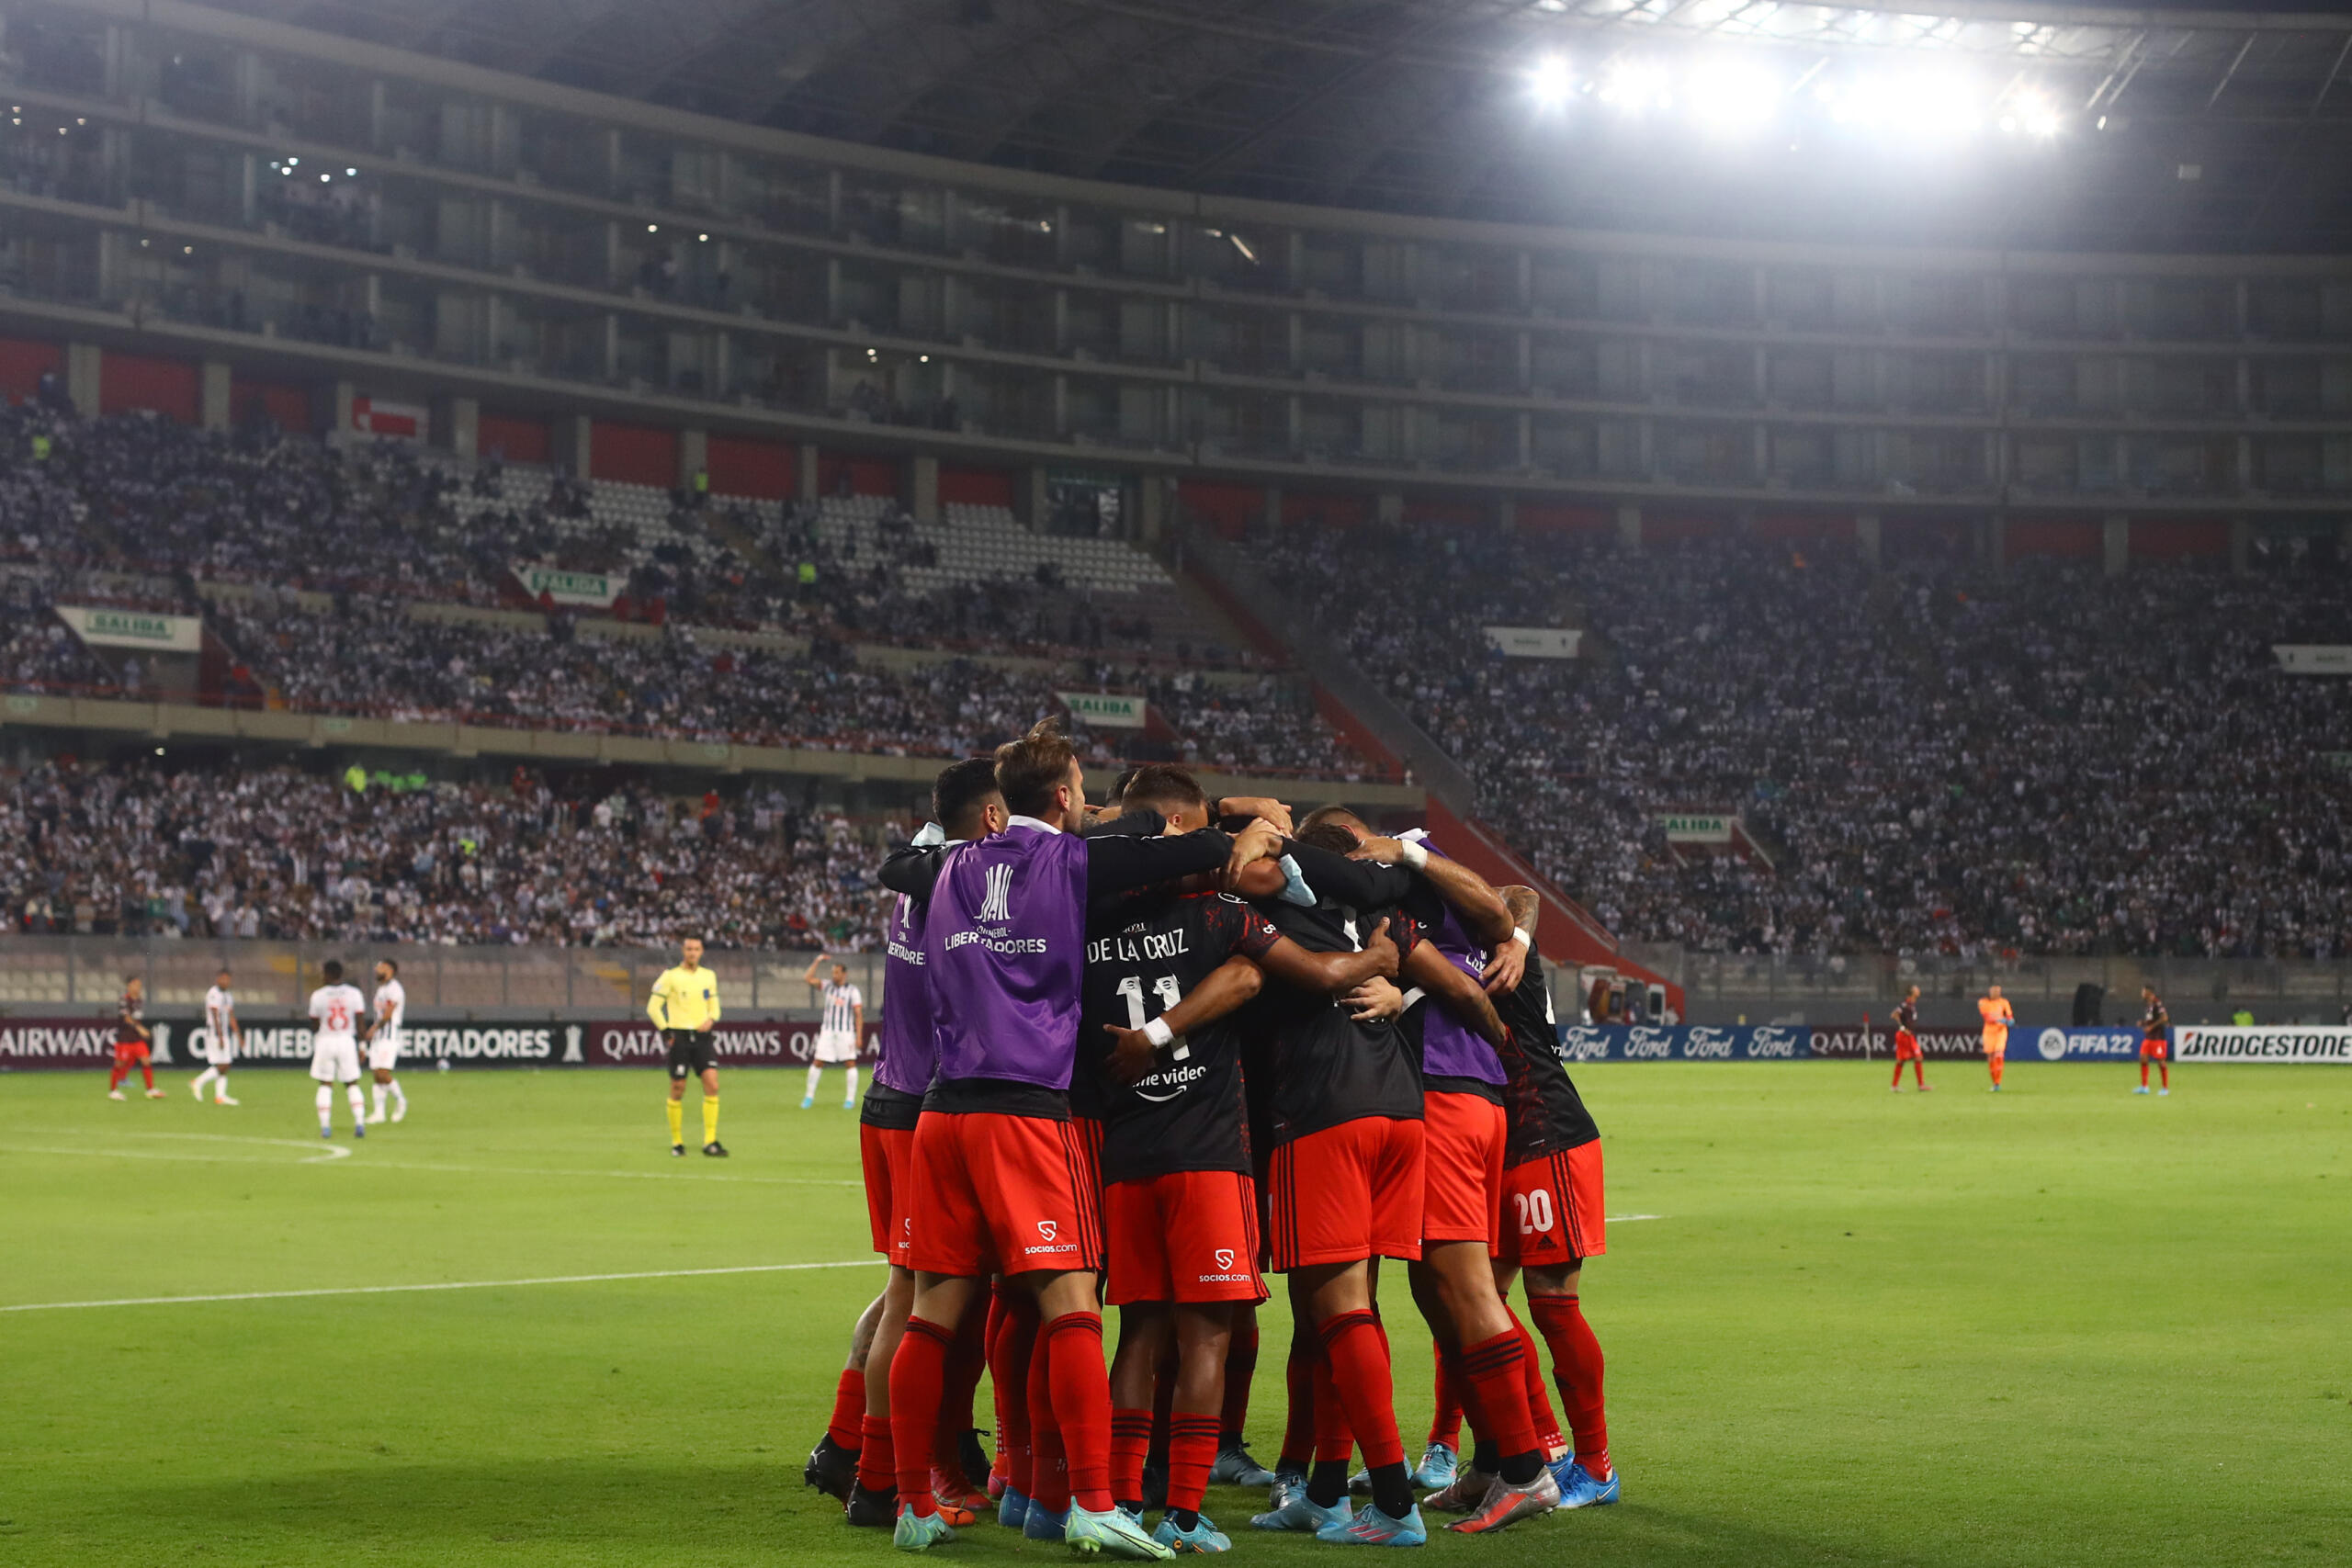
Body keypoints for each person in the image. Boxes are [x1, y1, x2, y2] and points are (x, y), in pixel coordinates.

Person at [877, 719, 1281, 1557]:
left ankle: (911, 1501)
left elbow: (900, 862)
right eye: (1078, 787)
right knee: (1070, 1307)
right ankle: (1096, 1500)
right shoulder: (1072, 862)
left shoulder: (946, 865)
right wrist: (1235, 823)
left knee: (932, 1312)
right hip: (1024, 1115)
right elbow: (1173, 848)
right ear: (1064, 798)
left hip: (942, 1115)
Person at [1087, 766, 1403, 1552]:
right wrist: (1383, 961)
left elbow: (1094, 820)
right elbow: (1315, 971)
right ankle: (1187, 1518)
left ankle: (1118, 1501)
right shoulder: (1225, 912)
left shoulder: (1088, 911)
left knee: (1135, 1334)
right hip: (1207, 1151)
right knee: (1206, 1339)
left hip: (1126, 1148)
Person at [824, 759, 1007, 1529]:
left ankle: (847, 1448)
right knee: (919, 1296)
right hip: (919, 1105)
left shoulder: (923, 867)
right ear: (991, 816)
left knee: (914, 1288)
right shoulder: (958, 881)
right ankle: (876, 1476)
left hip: (894, 1098)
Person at [1485, 886, 1618, 1510]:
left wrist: (1516, 936)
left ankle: (1596, 1464)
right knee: (1477, 1297)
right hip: (1503, 1144)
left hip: (1548, 1135)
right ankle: (1547, 1444)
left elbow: (1520, 893)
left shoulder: (1504, 946)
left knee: (1553, 1303)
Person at [649, 935, 727, 1156]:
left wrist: (712, 1018)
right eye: (689, 949)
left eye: (697, 949)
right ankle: (677, 1142)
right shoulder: (670, 976)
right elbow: (653, 1007)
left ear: (701, 952)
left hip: (703, 1037)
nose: (693, 953)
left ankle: (710, 1141)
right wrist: (666, 1031)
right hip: (680, 1036)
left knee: (712, 1084)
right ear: (683, 951)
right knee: (678, 1088)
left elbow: (714, 1002)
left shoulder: (708, 976)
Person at [308, 960, 369, 1139]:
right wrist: (363, 1045)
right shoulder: (354, 994)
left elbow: (314, 1024)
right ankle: (359, 1123)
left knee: (326, 1084)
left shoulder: (318, 995)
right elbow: (360, 1022)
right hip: (346, 1041)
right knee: (352, 1083)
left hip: (326, 1041)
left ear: (326, 974)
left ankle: (325, 1126)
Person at [801, 954, 865, 1111]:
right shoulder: (827, 986)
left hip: (846, 1032)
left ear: (844, 974)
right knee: (818, 1061)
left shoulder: (852, 991)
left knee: (850, 1063)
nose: (834, 975)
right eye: (833, 972)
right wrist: (816, 961)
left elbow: (858, 1015)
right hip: (828, 1032)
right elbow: (808, 978)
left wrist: (859, 1036)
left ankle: (850, 1099)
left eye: (836, 972)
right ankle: (809, 1096)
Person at [107, 975, 164, 1100]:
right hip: (125, 1039)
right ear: (129, 986)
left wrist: (140, 1030)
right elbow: (126, 1018)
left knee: (146, 1061)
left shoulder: (139, 1000)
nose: (138, 987)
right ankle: (113, 1091)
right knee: (119, 1064)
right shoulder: (124, 1000)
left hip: (137, 1039)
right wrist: (141, 1029)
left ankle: (150, 1090)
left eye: (139, 985)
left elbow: (136, 1018)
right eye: (136, 984)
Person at [191, 967, 242, 1105]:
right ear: (218, 979)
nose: (225, 981)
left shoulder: (228, 996)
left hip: (224, 1033)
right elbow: (214, 1015)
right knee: (224, 1064)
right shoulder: (213, 993)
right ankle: (198, 1082)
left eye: (228, 979)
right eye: (223, 978)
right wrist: (219, 1036)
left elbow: (231, 1017)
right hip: (215, 1033)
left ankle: (220, 1097)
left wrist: (239, 1035)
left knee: (225, 1066)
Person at [368, 959, 408, 1123]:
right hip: (379, 1037)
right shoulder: (382, 989)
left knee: (383, 1073)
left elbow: (388, 1013)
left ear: (389, 969)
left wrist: (374, 1028)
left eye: (380, 967)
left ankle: (401, 1101)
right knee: (376, 1074)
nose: (376, 970)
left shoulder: (394, 989)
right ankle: (379, 1113)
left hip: (389, 1036)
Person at [1888, 987, 1928, 1091]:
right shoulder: (1905, 1004)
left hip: (1910, 1035)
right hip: (1903, 1036)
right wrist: (1902, 1028)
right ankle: (1894, 1086)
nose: (1919, 990)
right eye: (1916, 989)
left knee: (1918, 1057)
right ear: (1912, 993)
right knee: (1901, 1060)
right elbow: (1894, 1015)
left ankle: (1921, 1085)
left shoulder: (1912, 1004)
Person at [1977, 983, 2013, 1093]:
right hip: (1989, 1032)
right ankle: (1995, 1083)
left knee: (1999, 1053)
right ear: (1990, 991)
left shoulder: (2004, 1002)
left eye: (1998, 991)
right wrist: (1998, 1020)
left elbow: (2009, 1015)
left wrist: (2010, 1020)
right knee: (1991, 1057)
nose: (1997, 993)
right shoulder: (1983, 1002)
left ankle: (1998, 1082)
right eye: (1994, 991)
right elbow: (1986, 1017)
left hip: (2001, 1031)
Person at [2136, 986, 2171, 1096]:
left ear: (2148, 992)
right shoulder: (2148, 1005)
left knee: (2161, 1062)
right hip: (2149, 1038)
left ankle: (2165, 1088)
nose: (2142, 993)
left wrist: (2151, 1027)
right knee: (2143, 1058)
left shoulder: (2157, 1003)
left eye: (2143, 991)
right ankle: (2144, 1087)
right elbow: (2151, 1019)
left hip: (2158, 1038)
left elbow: (2164, 1018)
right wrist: (2143, 1023)